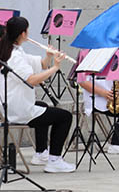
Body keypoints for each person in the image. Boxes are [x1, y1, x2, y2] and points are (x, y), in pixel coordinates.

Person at [0, 17, 75, 173]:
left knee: (42, 106)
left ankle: (41, 153)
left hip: (11, 104)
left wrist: (48, 55)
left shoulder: (12, 50)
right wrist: (55, 67)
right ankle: (54, 160)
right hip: (17, 109)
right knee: (65, 116)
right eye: (27, 30)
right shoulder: (15, 56)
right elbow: (32, 80)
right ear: (23, 33)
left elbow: (41, 65)